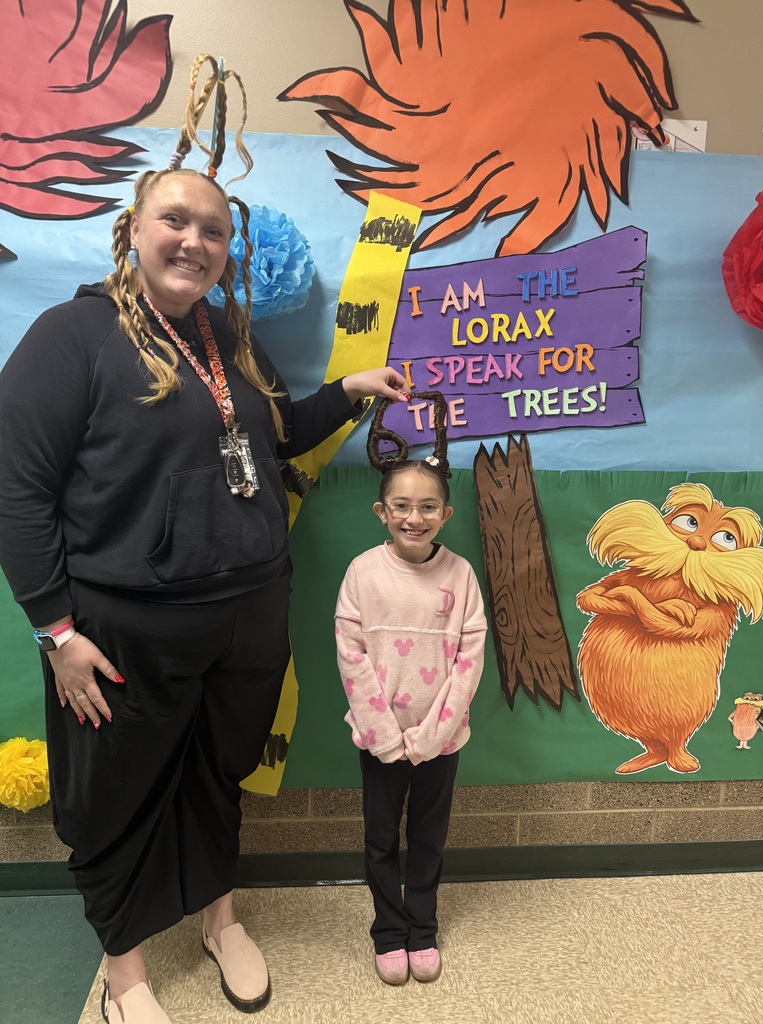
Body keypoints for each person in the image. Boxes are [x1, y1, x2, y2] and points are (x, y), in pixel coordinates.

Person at [0, 55, 407, 1024]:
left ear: (231, 248)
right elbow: (18, 494)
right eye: (174, 221)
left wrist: (347, 392)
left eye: (213, 229)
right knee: (116, 796)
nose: (194, 239)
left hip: (246, 615)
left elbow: (271, 434)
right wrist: (56, 632)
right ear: (132, 230)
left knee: (215, 777)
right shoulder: (72, 338)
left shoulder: (227, 337)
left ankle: (219, 916)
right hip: (125, 626)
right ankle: (127, 970)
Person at [334, 392, 487, 986]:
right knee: (380, 840)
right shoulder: (362, 573)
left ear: (445, 515)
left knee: (428, 837)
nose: (413, 517)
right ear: (382, 511)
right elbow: (351, 655)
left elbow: (469, 661)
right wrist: (386, 735)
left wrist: (431, 734)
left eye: (427, 507)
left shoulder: (461, 574)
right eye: (402, 506)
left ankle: (422, 929)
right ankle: (388, 932)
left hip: (440, 743)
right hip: (380, 742)